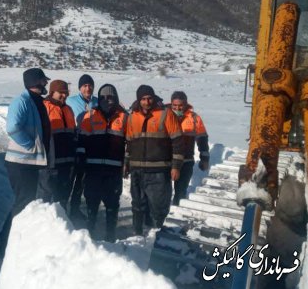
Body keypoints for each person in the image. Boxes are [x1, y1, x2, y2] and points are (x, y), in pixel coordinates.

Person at [0, 68, 51, 257]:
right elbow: (12, 127)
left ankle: (13, 243)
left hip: (30, 163)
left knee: (25, 204)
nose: (46, 85)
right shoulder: (22, 101)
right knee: (22, 204)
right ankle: (5, 246)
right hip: (20, 163)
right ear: (36, 82)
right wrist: (31, 146)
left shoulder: (36, 102)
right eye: (44, 81)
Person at [125, 85, 183, 236]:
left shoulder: (165, 114)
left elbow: (178, 141)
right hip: (137, 170)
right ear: (139, 100)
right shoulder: (132, 116)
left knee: (158, 206)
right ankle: (137, 234)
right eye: (143, 99)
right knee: (137, 205)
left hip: (159, 170)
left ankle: (155, 236)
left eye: (149, 98)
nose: (147, 101)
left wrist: (176, 166)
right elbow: (129, 143)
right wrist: (126, 164)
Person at [78, 84, 128, 242]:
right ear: (99, 99)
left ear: (116, 98)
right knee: (92, 203)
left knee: (112, 203)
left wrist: (127, 161)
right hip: (93, 169)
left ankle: (110, 236)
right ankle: (90, 234)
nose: (108, 100)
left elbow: (130, 142)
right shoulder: (90, 115)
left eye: (111, 97)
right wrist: (80, 159)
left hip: (114, 170)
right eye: (104, 97)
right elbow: (82, 139)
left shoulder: (124, 117)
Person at [38, 80, 76, 209]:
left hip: (67, 162)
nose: (64, 95)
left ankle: (62, 224)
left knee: (62, 198)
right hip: (50, 163)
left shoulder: (69, 110)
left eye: (66, 93)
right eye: (61, 92)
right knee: (46, 197)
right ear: (52, 92)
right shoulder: (44, 107)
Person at [168, 91, 210, 205]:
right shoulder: (165, 115)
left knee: (181, 190)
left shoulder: (194, 118)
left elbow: (202, 139)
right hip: (166, 160)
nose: (177, 108)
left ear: (186, 104)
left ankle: (177, 210)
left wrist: (204, 158)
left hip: (186, 160)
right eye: (174, 105)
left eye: (180, 105)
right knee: (163, 191)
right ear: (171, 104)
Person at [66, 74, 98, 220]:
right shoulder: (70, 101)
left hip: (91, 145)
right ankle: (60, 207)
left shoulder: (97, 102)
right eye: (85, 85)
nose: (88, 88)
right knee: (69, 177)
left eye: (90, 85)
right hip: (74, 143)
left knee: (82, 179)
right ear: (80, 88)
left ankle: (74, 208)